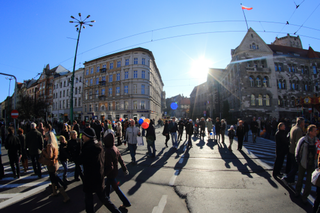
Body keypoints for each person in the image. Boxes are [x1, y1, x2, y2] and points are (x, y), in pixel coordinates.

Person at [78, 128, 121, 213]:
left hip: (90, 177)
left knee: (89, 200)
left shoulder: (88, 148)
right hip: (99, 176)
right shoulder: (98, 145)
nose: (82, 137)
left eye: (83, 135)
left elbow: (80, 160)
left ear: (88, 137)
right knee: (103, 198)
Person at [103, 133, 131, 211]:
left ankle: (126, 202)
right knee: (108, 184)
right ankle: (106, 197)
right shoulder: (115, 148)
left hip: (110, 173)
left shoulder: (108, 151)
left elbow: (109, 166)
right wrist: (124, 169)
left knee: (116, 188)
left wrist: (103, 174)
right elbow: (121, 160)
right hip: (114, 171)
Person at [42, 132, 69, 202]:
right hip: (55, 163)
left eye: (46, 137)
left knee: (55, 179)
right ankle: (55, 192)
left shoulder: (49, 145)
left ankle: (65, 196)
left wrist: (44, 152)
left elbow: (49, 156)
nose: (45, 138)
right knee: (53, 178)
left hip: (51, 164)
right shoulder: (55, 144)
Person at [295, 124, 317, 204]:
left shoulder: (316, 141)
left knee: (308, 182)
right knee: (300, 178)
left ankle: (305, 196)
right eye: (314, 131)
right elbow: (297, 150)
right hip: (303, 162)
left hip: (312, 164)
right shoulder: (303, 139)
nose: (316, 132)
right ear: (310, 132)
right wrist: (298, 160)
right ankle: (297, 191)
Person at [283, 117, 305, 185]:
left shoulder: (293, 127)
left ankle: (290, 180)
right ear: (301, 123)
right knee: (296, 167)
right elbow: (298, 142)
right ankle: (287, 178)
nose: (304, 124)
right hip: (295, 150)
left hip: (291, 149)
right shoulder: (298, 130)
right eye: (303, 122)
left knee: (293, 166)